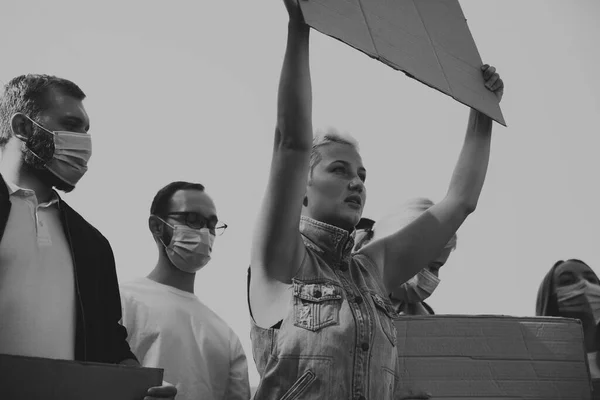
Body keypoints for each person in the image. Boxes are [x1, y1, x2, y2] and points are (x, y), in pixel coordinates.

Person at [247, 1, 504, 399]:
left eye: (362, 176)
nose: (356, 184)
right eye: (339, 170)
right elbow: (292, 143)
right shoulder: (282, 260)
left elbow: (460, 202)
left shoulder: (373, 270)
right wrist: (300, 25)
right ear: (301, 186)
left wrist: (481, 109)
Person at [0, 74, 175, 399]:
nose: (84, 142)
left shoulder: (92, 244)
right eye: (71, 125)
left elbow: (109, 344)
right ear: (23, 128)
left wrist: (141, 385)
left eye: (86, 130)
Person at [120, 181, 251, 400]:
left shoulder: (226, 336)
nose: (204, 232)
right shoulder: (121, 301)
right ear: (157, 226)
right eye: (192, 219)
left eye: (211, 225)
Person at [354, 198, 458, 315]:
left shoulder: (425, 317)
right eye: (416, 261)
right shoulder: (343, 297)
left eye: (434, 268)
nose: (423, 275)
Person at [536, 259, 600, 379]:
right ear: (550, 299)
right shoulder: (539, 370)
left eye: (591, 280)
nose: (584, 284)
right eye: (567, 281)